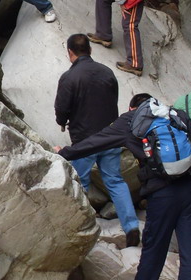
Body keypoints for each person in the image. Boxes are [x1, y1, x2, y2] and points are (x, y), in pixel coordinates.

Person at [55, 93, 191, 280]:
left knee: (154, 248)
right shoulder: (175, 115)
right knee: (190, 252)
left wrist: (64, 153)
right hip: (190, 189)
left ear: (132, 108)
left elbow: (95, 142)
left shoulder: (129, 122)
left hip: (161, 193)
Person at [54, 33, 140, 246]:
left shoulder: (69, 77)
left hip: (85, 140)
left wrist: (62, 120)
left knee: (79, 181)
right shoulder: (107, 72)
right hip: (110, 137)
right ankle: (131, 227)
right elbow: (114, 100)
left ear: (70, 53)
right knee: (115, 181)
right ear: (90, 50)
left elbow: (62, 107)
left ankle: (79, 226)